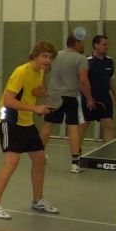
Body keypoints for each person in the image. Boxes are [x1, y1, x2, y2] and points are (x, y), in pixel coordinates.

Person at [0, 41, 58, 220]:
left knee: (40, 158)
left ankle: (38, 200)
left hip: (26, 120)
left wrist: (40, 95)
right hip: (9, 118)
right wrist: (35, 108)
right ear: (35, 55)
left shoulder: (40, 72)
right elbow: (9, 100)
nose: (47, 60)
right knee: (12, 160)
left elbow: (33, 92)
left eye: (50, 58)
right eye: (44, 56)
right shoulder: (21, 72)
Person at [39, 33, 88, 173]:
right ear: (76, 43)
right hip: (71, 97)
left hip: (54, 96)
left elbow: (42, 72)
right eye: (82, 42)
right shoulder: (81, 59)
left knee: (48, 126)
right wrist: (89, 97)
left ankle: (39, 156)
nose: (84, 45)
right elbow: (84, 80)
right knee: (73, 128)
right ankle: (75, 164)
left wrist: (45, 90)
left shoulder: (55, 56)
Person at [81, 34, 116, 141]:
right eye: (104, 44)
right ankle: (76, 150)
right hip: (89, 99)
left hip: (105, 98)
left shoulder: (109, 61)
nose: (107, 47)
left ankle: (108, 150)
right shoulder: (86, 61)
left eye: (107, 44)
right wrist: (89, 98)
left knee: (108, 126)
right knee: (83, 127)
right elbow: (82, 82)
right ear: (96, 45)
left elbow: (111, 80)